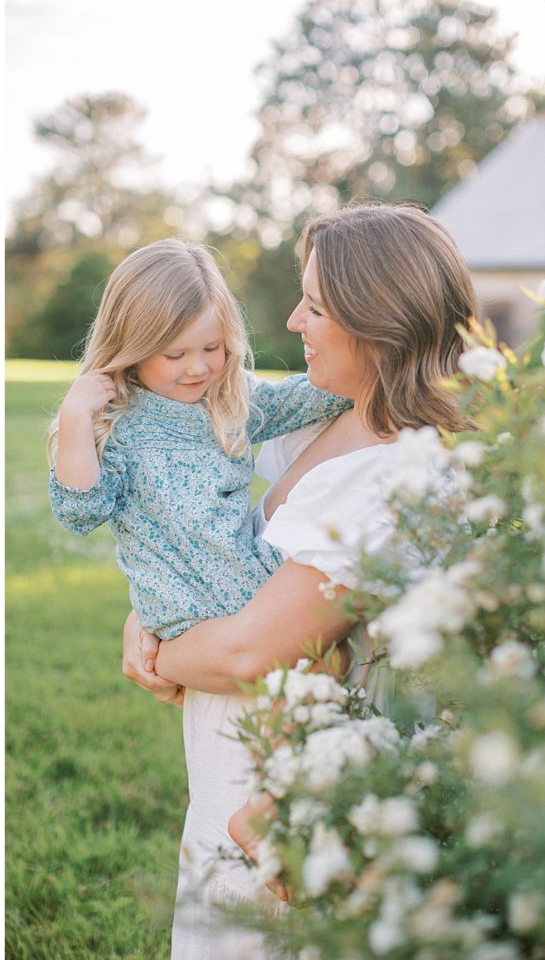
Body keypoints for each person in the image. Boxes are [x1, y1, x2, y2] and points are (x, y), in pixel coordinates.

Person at [122, 203, 477, 960]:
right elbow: (218, 549)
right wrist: (146, 611)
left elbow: (254, 650)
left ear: (378, 319)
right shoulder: (332, 424)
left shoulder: (399, 472)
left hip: (285, 793)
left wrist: (158, 652)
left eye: (315, 305)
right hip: (229, 760)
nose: (293, 321)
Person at [48, 238, 350, 661]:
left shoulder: (229, 397)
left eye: (212, 348)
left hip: (254, 586)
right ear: (132, 350)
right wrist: (75, 420)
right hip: (185, 618)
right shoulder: (120, 423)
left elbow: (304, 399)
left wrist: (375, 366)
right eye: (175, 354)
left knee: (333, 665)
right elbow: (80, 512)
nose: (198, 367)